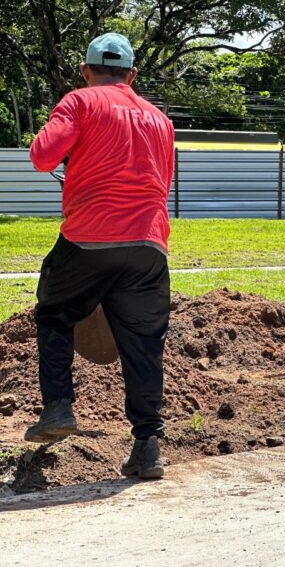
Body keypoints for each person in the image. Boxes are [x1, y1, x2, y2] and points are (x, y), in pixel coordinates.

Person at [25, 33, 175, 479]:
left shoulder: (80, 101)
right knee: (145, 345)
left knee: (54, 313)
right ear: (132, 75)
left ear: (86, 71)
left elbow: (40, 157)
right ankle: (147, 447)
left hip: (88, 239)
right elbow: (161, 182)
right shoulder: (160, 120)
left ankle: (58, 408)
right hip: (149, 245)